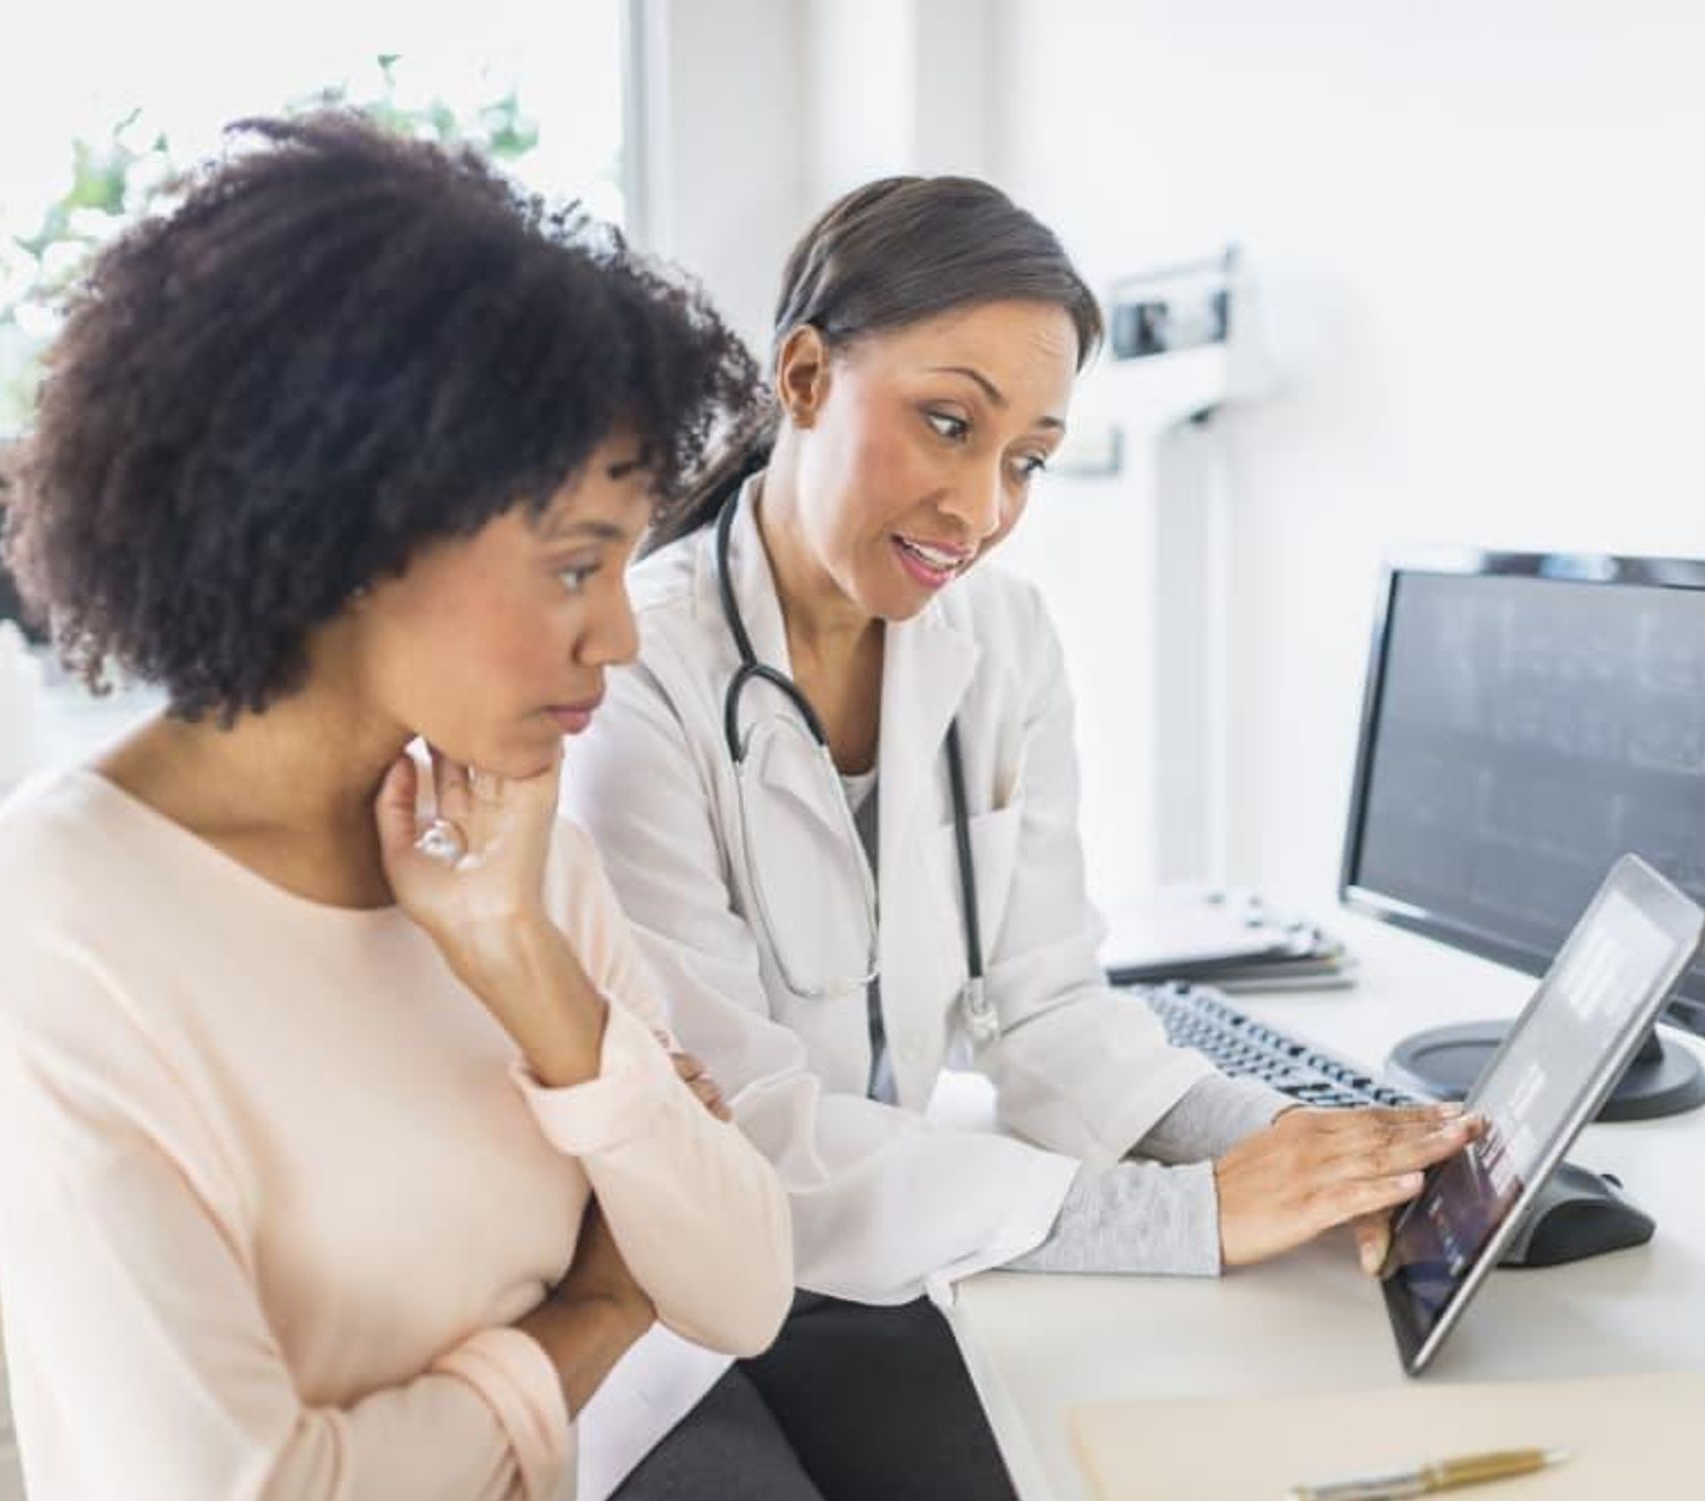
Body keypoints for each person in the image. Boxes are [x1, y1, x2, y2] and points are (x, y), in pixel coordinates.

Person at [560, 176, 1482, 1500]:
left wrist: (1320, 1152)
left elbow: (1050, 1012)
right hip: (659, 1306)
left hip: (876, 1260)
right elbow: (745, 1145)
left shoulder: (1005, 642)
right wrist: (1191, 1213)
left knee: (1110, 1458)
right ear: (806, 375)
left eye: (1027, 459)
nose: (982, 509)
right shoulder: (633, 680)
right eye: (949, 424)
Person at [0, 114, 793, 1501]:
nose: (621, 641)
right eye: (575, 567)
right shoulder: (64, 901)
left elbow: (745, 1282)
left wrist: (521, 961)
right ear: (346, 528)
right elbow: (251, 1486)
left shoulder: (510, 850)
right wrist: (581, 1322)